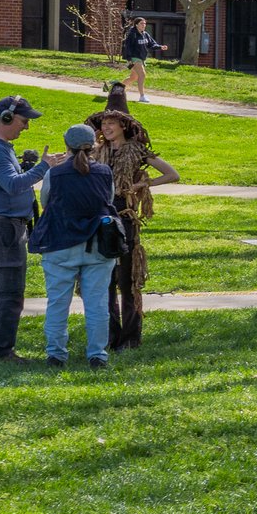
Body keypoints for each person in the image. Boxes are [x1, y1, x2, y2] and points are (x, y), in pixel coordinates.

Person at [88, 108, 178, 350]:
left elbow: (172, 174)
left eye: (111, 124)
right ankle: (109, 336)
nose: (106, 128)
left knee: (127, 281)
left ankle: (130, 338)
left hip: (125, 220)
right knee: (104, 280)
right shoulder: (96, 152)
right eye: (104, 124)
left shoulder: (137, 151)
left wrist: (142, 183)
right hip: (101, 219)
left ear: (123, 127)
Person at [30, 124, 118, 369]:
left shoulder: (54, 174)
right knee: (97, 303)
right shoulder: (105, 172)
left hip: (60, 242)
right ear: (94, 145)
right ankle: (97, 355)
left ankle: (56, 354)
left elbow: (46, 201)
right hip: (98, 244)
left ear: (65, 143)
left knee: (58, 301)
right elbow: (107, 201)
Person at [0, 95, 53, 361]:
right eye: (23, 120)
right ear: (6, 118)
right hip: (5, 228)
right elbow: (12, 184)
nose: (26, 126)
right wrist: (44, 167)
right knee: (8, 293)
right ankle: (1, 350)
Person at [121, 16, 165, 102]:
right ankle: (142, 96)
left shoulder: (145, 34)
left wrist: (160, 47)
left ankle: (116, 89)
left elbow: (151, 44)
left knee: (133, 78)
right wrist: (129, 58)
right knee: (142, 75)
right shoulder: (132, 34)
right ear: (136, 24)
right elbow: (128, 47)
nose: (144, 25)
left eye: (145, 23)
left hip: (141, 58)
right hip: (134, 58)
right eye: (141, 23)